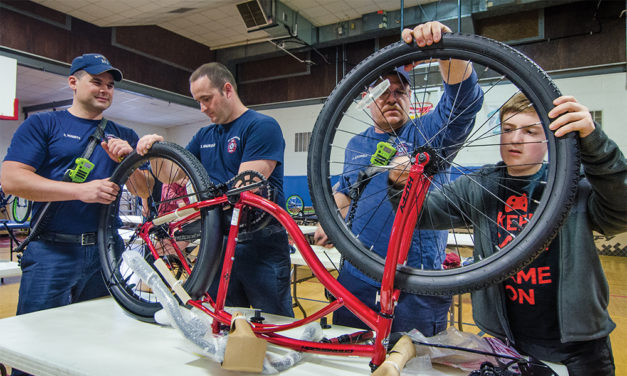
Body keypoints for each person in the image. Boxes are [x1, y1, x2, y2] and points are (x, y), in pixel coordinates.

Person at [391, 93, 625, 375]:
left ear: (550, 140)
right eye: (508, 129)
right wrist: (400, 183)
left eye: (530, 131)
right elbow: (422, 214)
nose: (515, 139)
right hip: (508, 345)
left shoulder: (573, 184)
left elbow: (621, 211)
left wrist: (593, 141)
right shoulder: (478, 186)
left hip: (579, 349)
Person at [313, 21, 484, 335]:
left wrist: (443, 49)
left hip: (415, 280)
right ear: (367, 99)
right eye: (383, 93)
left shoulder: (429, 132)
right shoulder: (355, 144)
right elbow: (348, 190)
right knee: (349, 360)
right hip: (357, 273)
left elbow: (463, 103)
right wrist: (330, 218)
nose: (392, 98)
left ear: (410, 97)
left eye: (400, 92)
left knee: (414, 362)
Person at [1, 53, 141, 376]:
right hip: (52, 251)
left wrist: (129, 160)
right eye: (96, 81)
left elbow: (145, 192)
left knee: (93, 343)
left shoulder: (122, 134)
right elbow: (11, 179)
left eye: (109, 85)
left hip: (104, 255)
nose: (105, 89)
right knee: (34, 345)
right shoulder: (43, 124)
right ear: (73, 82)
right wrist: (80, 190)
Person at [136, 62, 293, 317]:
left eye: (206, 99)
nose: (202, 108)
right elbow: (172, 175)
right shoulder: (204, 135)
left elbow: (245, 190)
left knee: (274, 322)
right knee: (225, 319)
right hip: (218, 243)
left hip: (260, 244)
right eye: (198, 101)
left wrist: (192, 221)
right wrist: (155, 151)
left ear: (227, 90)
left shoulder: (261, 126)